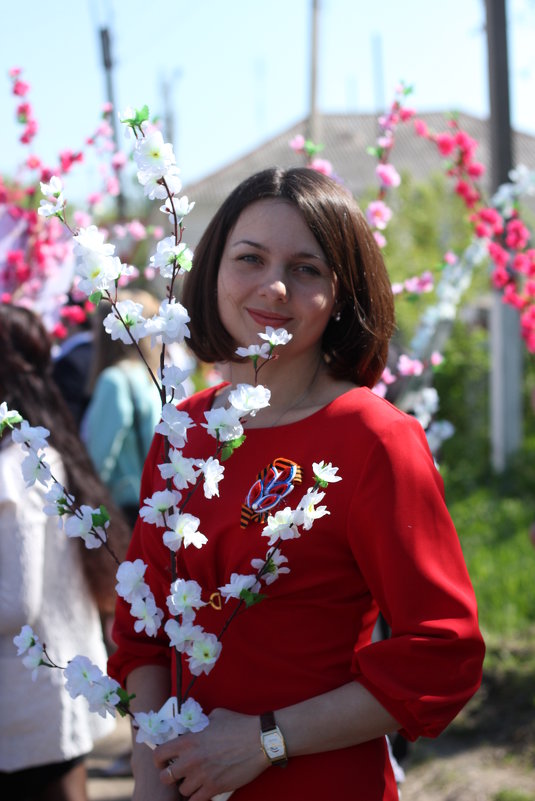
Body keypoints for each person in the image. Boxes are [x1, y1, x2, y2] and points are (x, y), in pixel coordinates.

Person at [108, 167, 485, 801]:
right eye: (249, 258)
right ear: (214, 269)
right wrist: (153, 785)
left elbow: (440, 652)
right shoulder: (185, 430)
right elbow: (142, 638)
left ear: (342, 294)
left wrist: (265, 740)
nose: (273, 286)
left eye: (307, 269)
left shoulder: (374, 439)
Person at [0, 304, 130, 801]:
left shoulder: (21, 466)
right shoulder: (42, 452)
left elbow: (16, 604)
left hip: (32, 705)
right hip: (53, 695)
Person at [83, 288, 163, 529]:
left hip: (121, 513)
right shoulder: (151, 379)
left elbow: (98, 462)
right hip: (151, 508)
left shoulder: (114, 381)